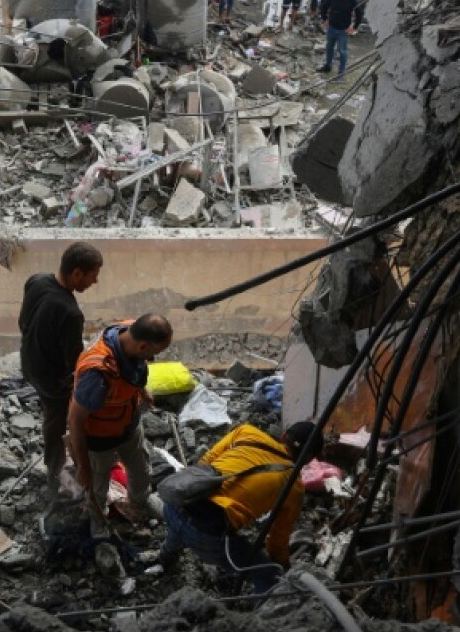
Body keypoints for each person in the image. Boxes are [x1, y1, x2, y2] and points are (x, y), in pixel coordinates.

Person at [157, 422, 322, 595]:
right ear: (310, 458)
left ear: (283, 435)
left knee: (183, 519)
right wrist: (283, 566)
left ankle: (166, 556)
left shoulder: (247, 432)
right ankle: (255, 620)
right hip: (207, 538)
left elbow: (205, 462)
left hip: (174, 504)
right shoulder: (293, 487)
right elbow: (277, 542)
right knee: (269, 575)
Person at [68, 314, 173, 537]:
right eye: (154, 353)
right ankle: (99, 519)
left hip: (128, 425)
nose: (153, 359)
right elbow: (75, 420)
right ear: (143, 345)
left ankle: (139, 501)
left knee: (140, 469)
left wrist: (141, 392)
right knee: (97, 484)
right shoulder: (97, 374)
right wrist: (83, 466)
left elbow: (136, 370)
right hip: (99, 438)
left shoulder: (130, 331)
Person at [19, 242, 103, 500]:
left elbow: (23, 321)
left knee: (51, 415)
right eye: (92, 275)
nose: (95, 281)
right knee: (56, 422)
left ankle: (58, 463)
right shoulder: (70, 313)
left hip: (30, 363)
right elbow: (74, 364)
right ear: (77, 273)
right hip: (51, 380)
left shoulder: (37, 281)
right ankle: (55, 473)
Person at [317, 0, 358, 78]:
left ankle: (341, 73)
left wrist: (354, 27)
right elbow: (323, 7)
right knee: (329, 48)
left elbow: (359, 13)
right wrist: (324, 19)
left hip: (343, 30)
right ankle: (328, 66)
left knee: (342, 51)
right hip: (332, 28)